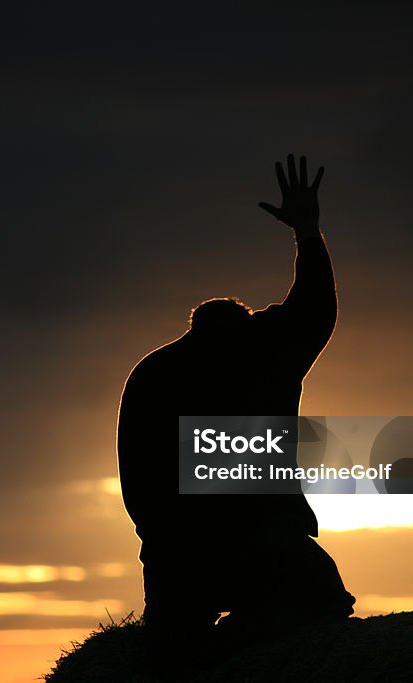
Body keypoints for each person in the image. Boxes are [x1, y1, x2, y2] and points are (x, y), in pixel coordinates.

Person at [116, 155, 355, 653]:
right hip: (260, 540)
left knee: (173, 652)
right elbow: (314, 306)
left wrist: (161, 539)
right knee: (321, 605)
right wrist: (308, 232)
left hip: (178, 550)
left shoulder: (153, 371)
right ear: (247, 324)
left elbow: (134, 474)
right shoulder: (265, 352)